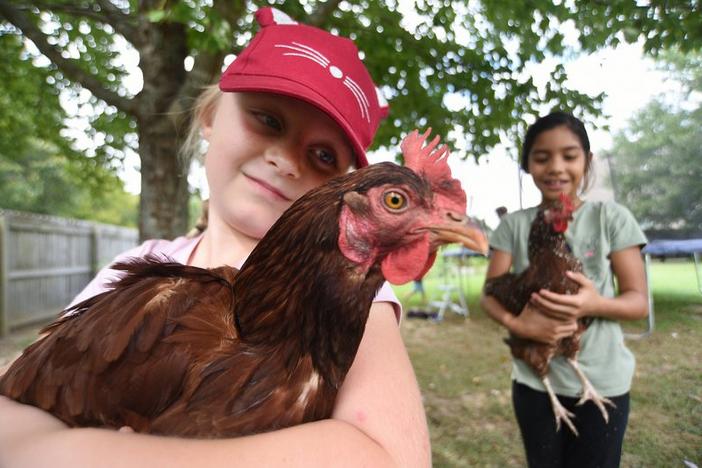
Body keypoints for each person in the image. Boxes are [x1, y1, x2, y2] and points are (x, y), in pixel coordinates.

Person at [0, 8, 430, 467]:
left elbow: (394, 458)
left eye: (323, 155)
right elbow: (15, 404)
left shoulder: (344, 302)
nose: (286, 161)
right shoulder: (147, 268)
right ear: (208, 115)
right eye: (268, 120)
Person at [480, 111, 648, 467]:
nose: (556, 167)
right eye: (542, 158)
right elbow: (490, 294)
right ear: (528, 164)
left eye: (569, 156)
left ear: (587, 161)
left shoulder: (611, 218)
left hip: (603, 379)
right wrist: (521, 326)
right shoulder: (514, 225)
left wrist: (592, 303)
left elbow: (638, 303)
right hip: (536, 383)